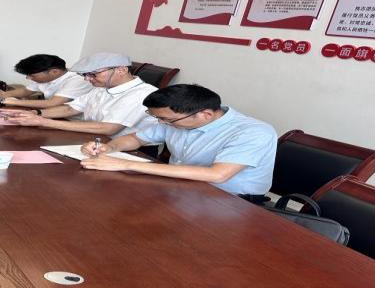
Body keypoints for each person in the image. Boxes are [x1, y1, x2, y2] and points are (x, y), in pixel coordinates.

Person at [80, 84, 277, 204]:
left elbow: (217, 175)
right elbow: (136, 138)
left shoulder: (252, 132)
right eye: (157, 118)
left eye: (166, 119)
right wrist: (110, 147)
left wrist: (125, 164)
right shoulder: (175, 120)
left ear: (205, 114)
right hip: (181, 188)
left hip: (231, 201)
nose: (161, 123)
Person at [0, 52, 158, 137]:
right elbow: (71, 108)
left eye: (93, 74)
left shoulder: (141, 94)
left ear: (121, 70)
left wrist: (43, 121)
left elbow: (108, 128)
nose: (87, 79)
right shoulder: (102, 87)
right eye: (85, 75)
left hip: (128, 150)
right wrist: (35, 113)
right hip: (92, 138)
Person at [0, 54, 92, 108]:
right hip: (51, 114)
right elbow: (25, 91)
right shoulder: (47, 77)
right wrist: (0, 94)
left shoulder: (78, 79)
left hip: (73, 121)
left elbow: (51, 103)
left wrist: (2, 101)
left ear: (54, 71)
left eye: (31, 75)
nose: (28, 78)